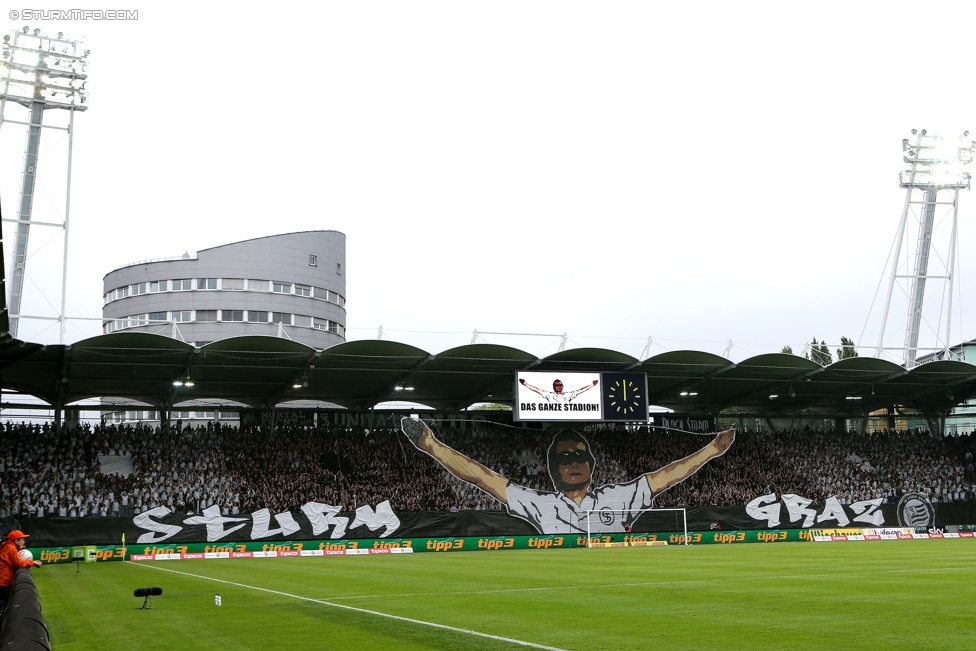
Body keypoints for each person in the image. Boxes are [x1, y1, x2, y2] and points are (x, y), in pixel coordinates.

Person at [400, 419, 734, 534]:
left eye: (579, 456)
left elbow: (665, 477)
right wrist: (430, 445)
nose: (573, 463)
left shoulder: (616, 498)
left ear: (591, 464)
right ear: (554, 468)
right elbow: (482, 478)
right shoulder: (537, 503)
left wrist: (711, 450)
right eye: (564, 458)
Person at [0, 530, 42, 617]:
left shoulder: (9, 547)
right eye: (22, 540)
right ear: (16, 541)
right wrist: (32, 562)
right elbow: (18, 563)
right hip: (3, 583)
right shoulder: (11, 548)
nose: (24, 541)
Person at [519, 377, 598, 404]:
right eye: (557, 385)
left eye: (560, 385)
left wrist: (592, 385)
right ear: (554, 387)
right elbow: (536, 390)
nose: (559, 387)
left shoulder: (567, 395)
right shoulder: (550, 395)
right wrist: (525, 384)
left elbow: (580, 390)